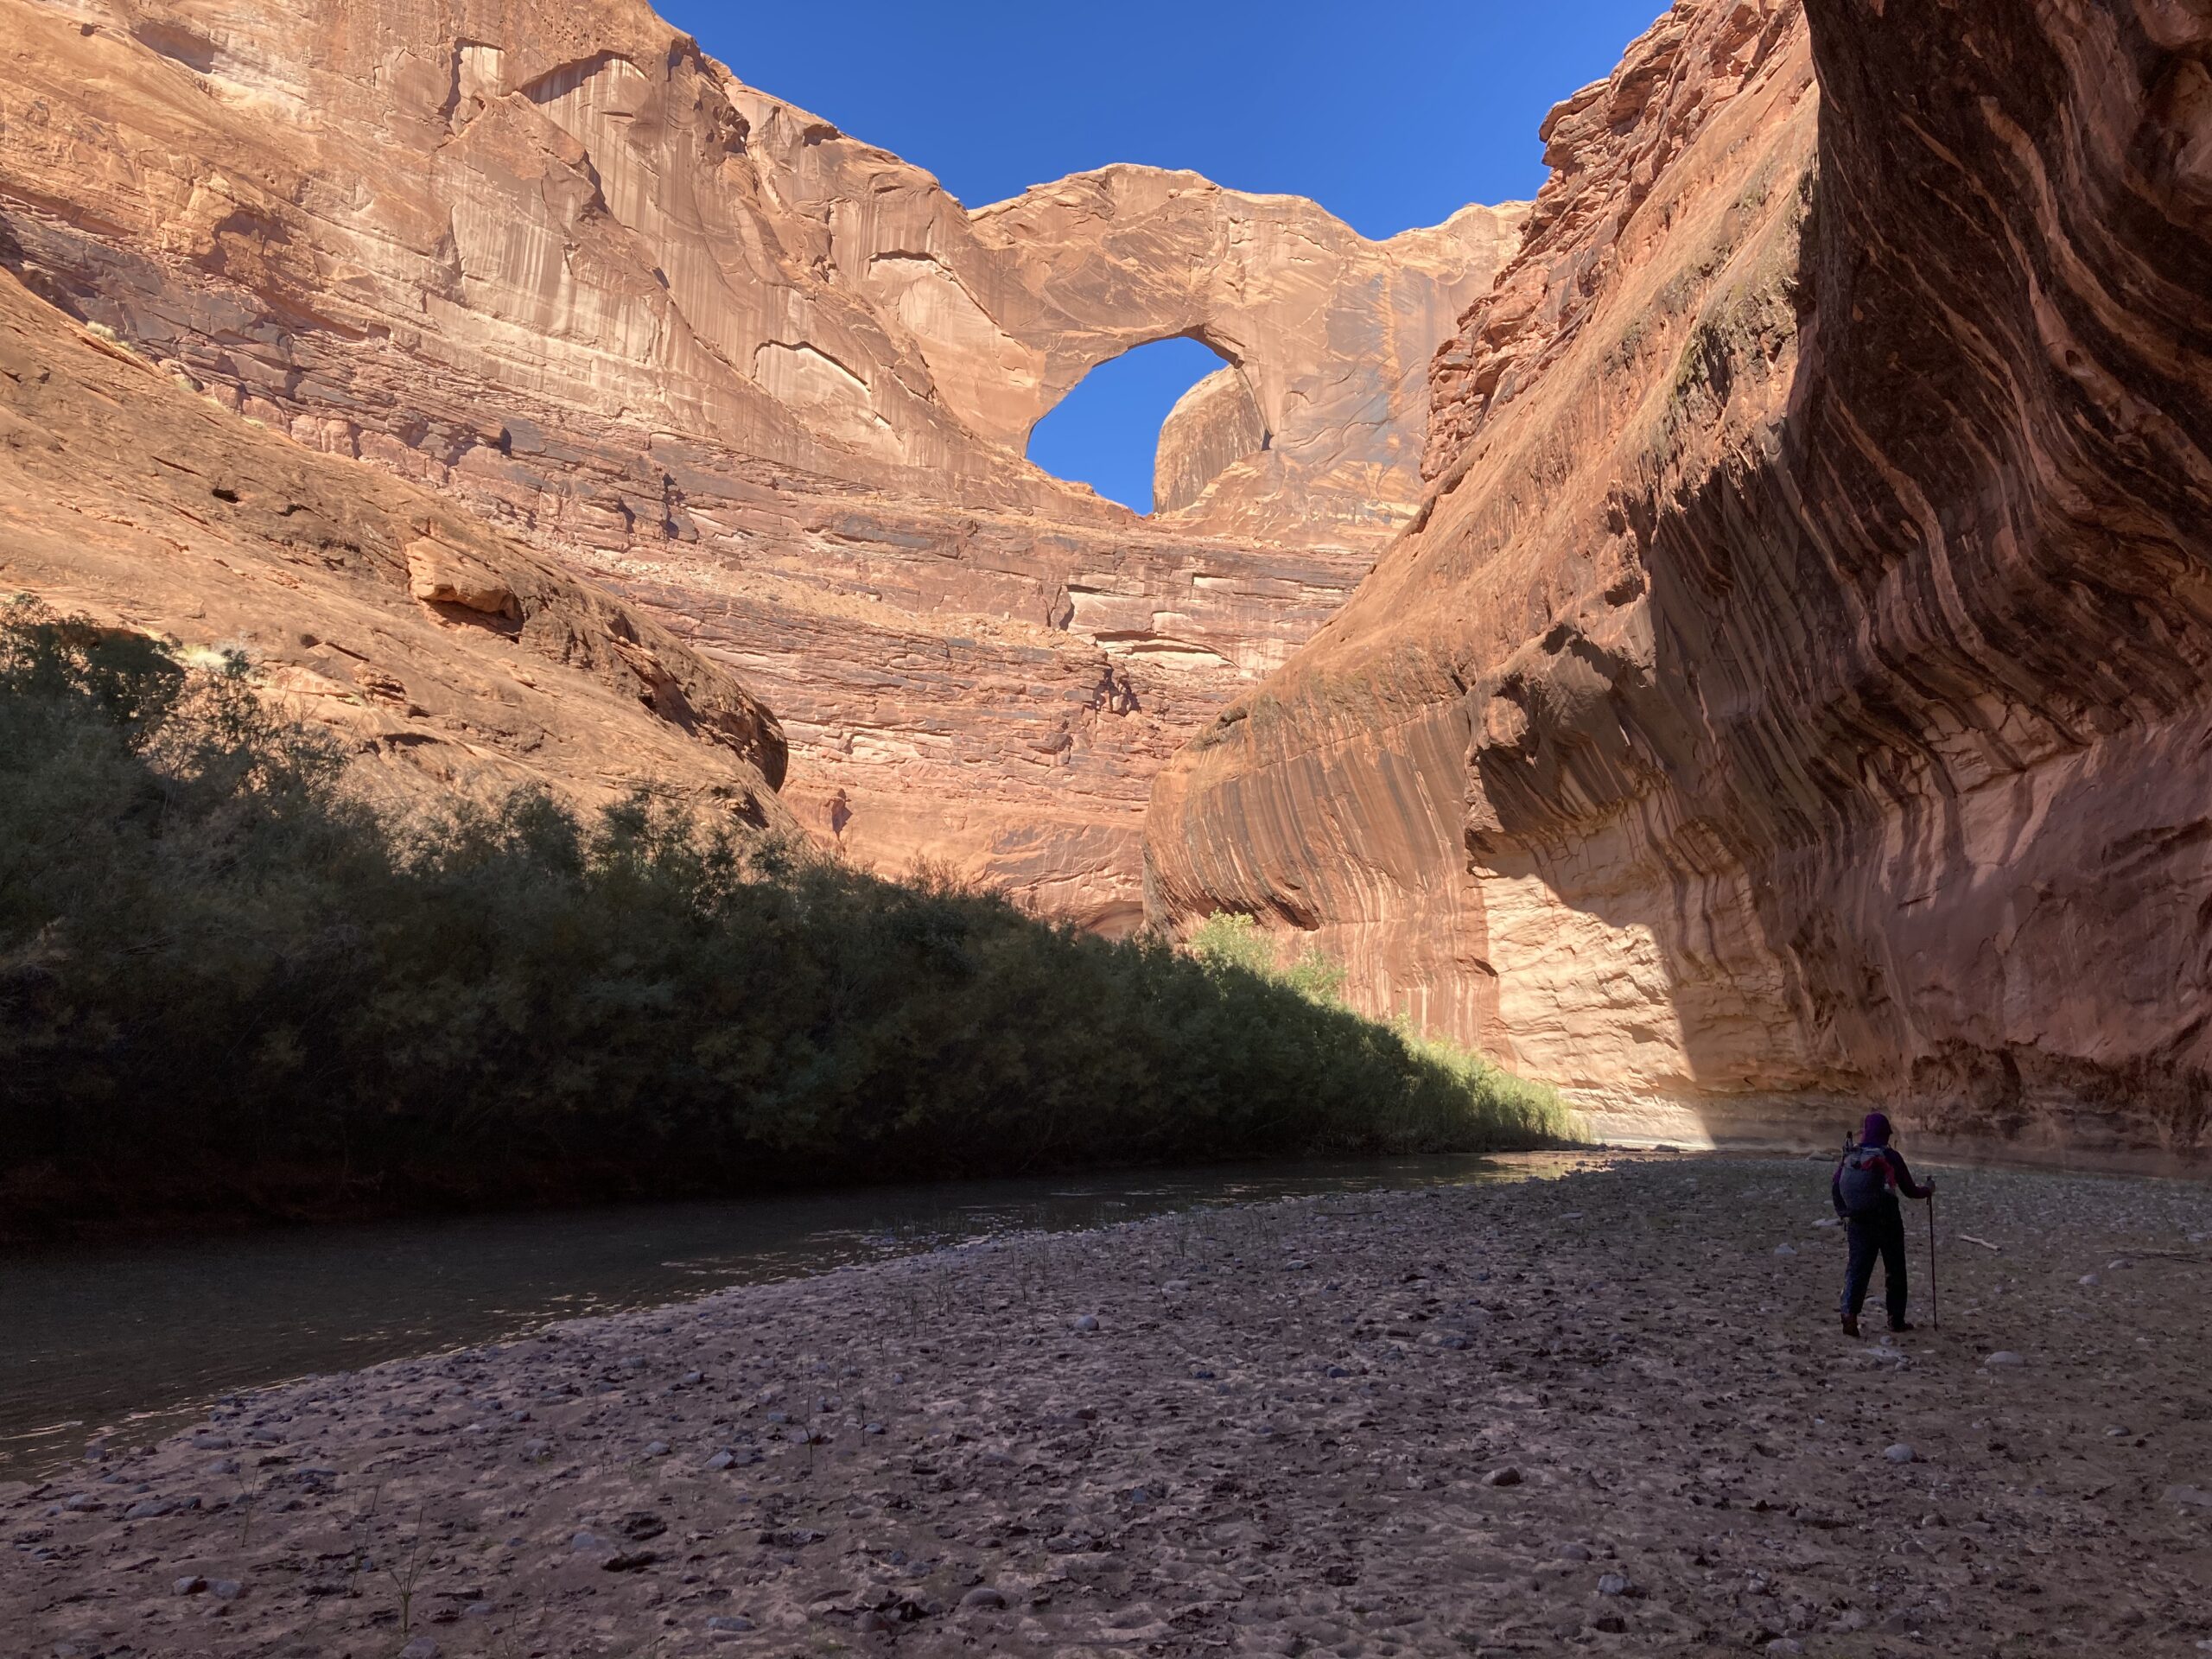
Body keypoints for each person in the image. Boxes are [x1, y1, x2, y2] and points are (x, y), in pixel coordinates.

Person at [1832, 1110, 1936, 1337]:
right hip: (1887, 1219)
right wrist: (1928, 1190)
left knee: (1858, 1268)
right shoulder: (1890, 1156)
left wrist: (1844, 1212)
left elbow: (1836, 1183)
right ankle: (1895, 1320)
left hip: (1858, 1220)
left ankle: (1849, 1313)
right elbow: (1910, 1190)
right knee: (1895, 1268)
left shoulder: (1852, 1155)